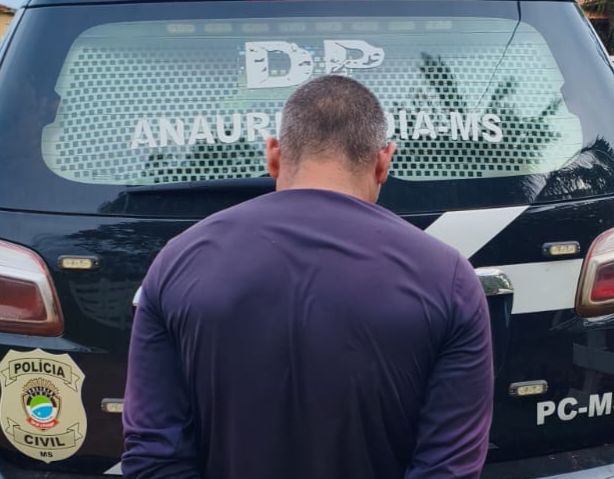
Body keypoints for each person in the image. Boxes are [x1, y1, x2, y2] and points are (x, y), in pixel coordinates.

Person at [122, 75, 493, 479]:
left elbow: (154, 456)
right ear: (384, 162)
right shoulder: (447, 278)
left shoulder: (178, 261)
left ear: (273, 156)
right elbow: (447, 470)